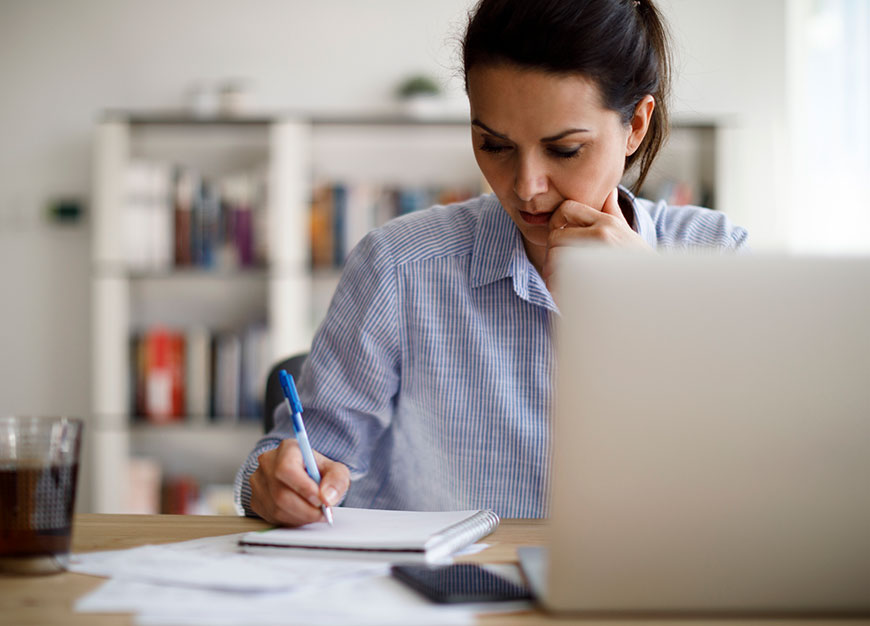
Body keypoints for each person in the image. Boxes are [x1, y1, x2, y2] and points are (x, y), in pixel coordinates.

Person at [235, 0, 749, 526]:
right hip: (435, 596)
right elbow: (296, 456)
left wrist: (654, 308)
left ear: (636, 125)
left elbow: (757, 479)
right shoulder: (399, 267)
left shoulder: (718, 258)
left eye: (565, 150)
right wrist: (276, 481)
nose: (526, 187)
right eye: (494, 145)